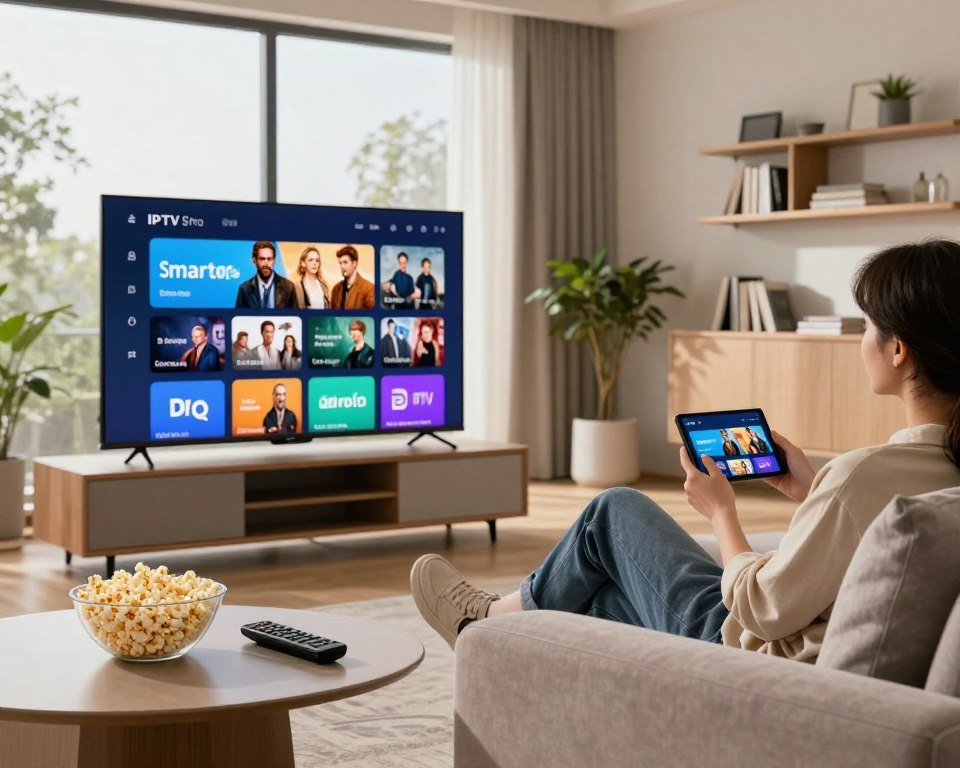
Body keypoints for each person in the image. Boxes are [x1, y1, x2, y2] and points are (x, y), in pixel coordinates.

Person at [410, 238, 960, 663]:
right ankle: (492, 633)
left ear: (897, 350)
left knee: (614, 512)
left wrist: (722, 512)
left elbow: (761, 608)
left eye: (866, 325)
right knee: (599, 600)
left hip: (752, 658)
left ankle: (484, 625)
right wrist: (811, 491)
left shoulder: (861, 475)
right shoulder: (930, 472)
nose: (859, 338)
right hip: (813, 646)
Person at [235, 241, 297, 309]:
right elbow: (240, 317)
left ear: (274, 260)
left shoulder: (289, 287)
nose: (266, 263)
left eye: (269, 259)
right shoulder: (244, 289)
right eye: (262, 259)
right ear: (254, 260)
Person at [329, 245, 375, 310]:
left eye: (345, 262)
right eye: (340, 263)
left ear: (354, 264)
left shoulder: (369, 288)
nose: (342, 266)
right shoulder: (336, 289)